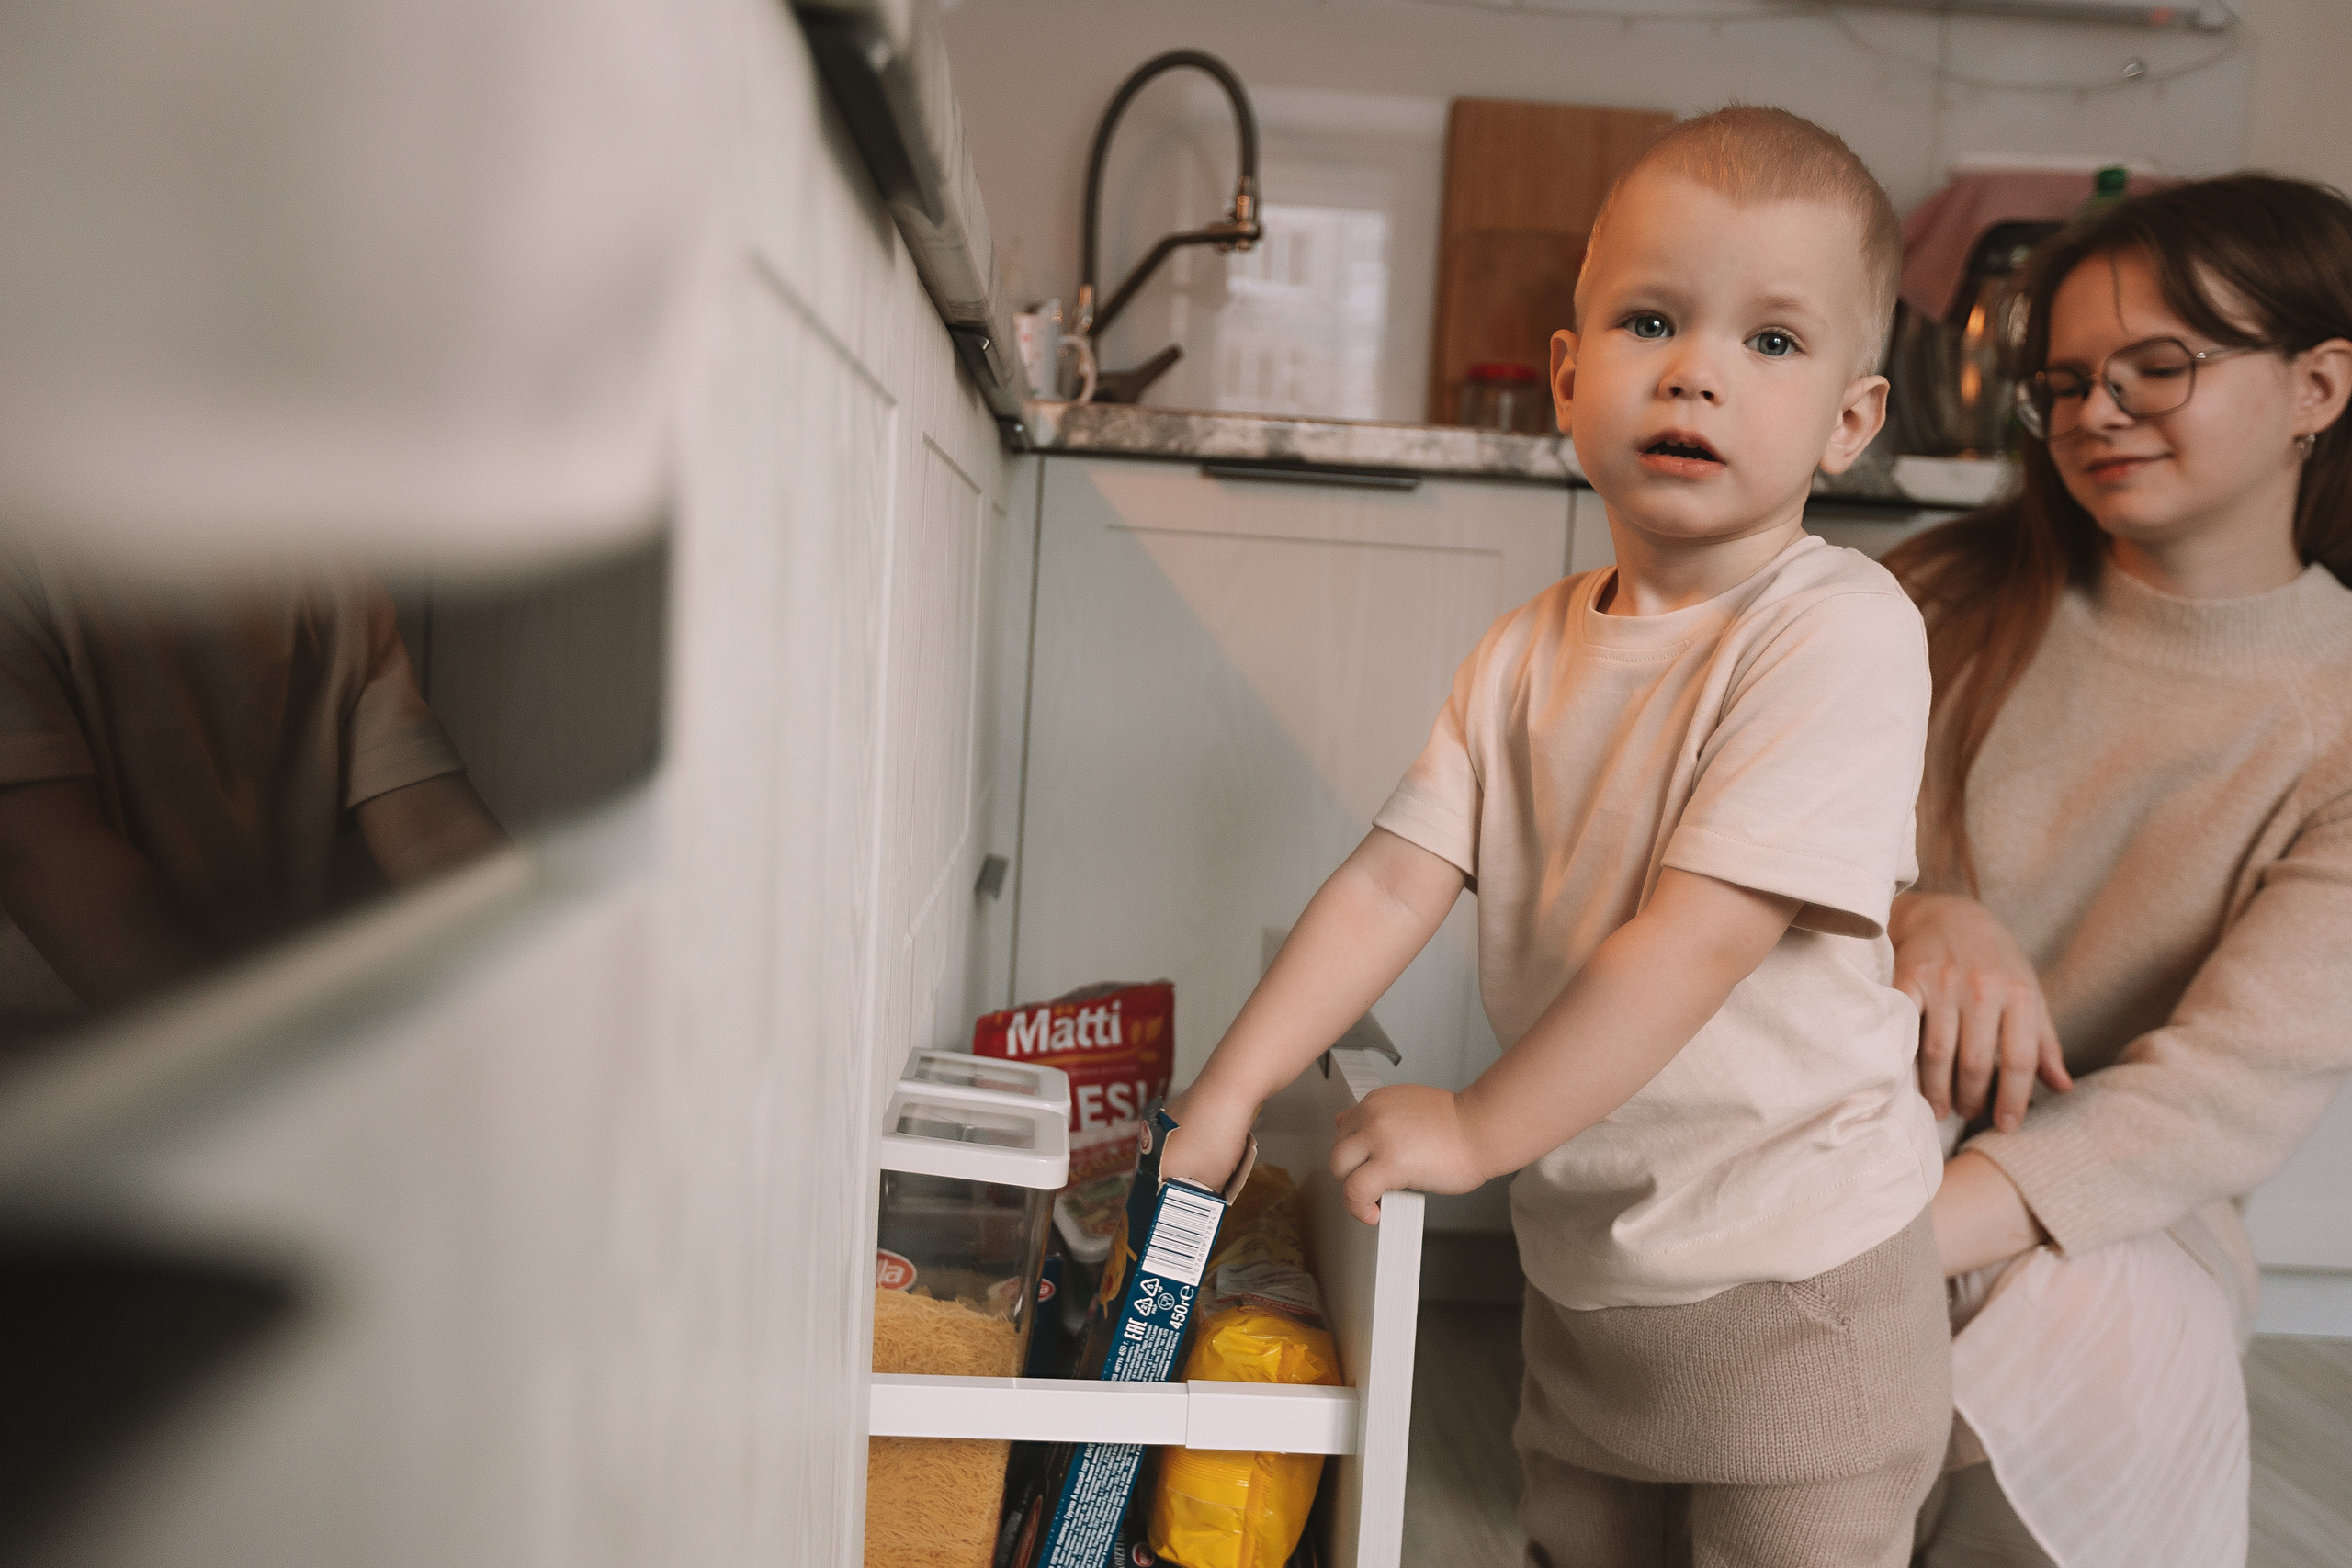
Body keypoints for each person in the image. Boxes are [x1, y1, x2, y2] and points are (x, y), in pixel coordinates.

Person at [1167, 107, 1947, 1567]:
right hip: (1591, 1272)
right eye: (1653, 320)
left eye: (1772, 340)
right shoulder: (1522, 650)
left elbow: (1695, 939)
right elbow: (1391, 880)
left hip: (1801, 1283)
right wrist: (1228, 1089)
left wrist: (1476, 1124)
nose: (1698, 368)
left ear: (1851, 420)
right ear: (1570, 378)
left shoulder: (1836, 630)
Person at [1887, 175, 2352, 1568]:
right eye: (2067, 382)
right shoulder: (1933, 598)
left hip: (2119, 1191)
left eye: (2157, 366)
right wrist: (1919, 910)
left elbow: (2217, 1094)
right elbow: (1733, 870)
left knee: (2109, 1328)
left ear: (2318, 386)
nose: (2097, 411)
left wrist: (1883, 1248)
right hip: (1849, 1118)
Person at [0, 539, 506, 1036]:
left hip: (260, 1035)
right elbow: (47, 864)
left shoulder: (326, 568)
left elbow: (435, 833)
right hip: (51, 1063)